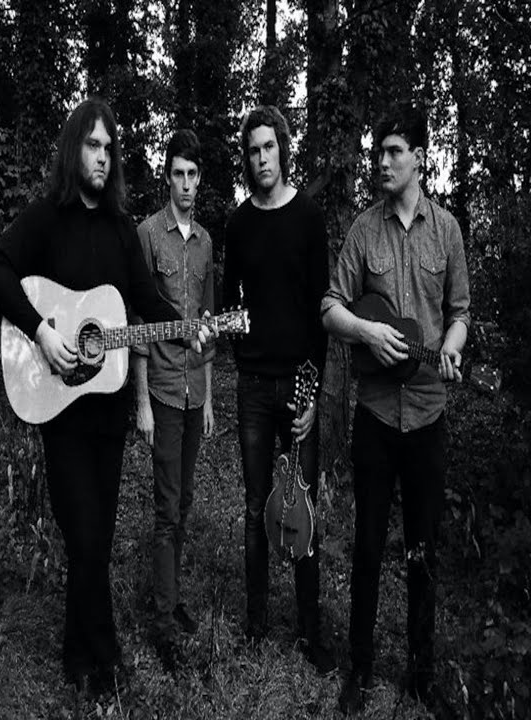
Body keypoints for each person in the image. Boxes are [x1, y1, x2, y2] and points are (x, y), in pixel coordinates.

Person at [0, 98, 212, 697]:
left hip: (107, 410)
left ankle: (77, 655)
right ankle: (102, 656)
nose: (103, 157)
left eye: (110, 148)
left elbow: (146, 299)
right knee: (83, 535)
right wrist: (41, 330)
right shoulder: (46, 219)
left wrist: (186, 326)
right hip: (60, 410)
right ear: (73, 150)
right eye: (93, 145)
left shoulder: (119, 229)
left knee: (97, 540)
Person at [321, 103, 470, 718]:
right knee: (368, 545)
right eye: (378, 152)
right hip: (377, 417)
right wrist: (366, 331)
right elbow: (330, 307)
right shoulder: (363, 231)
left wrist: (453, 349)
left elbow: (459, 313)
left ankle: (420, 673)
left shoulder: (448, 231)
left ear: (420, 159)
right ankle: (359, 669)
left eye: (393, 152)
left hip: (429, 415)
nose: (382, 162)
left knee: (422, 549)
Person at [221, 105, 335, 674]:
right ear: (246, 159)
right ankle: (256, 623)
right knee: (254, 504)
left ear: (282, 150)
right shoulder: (238, 224)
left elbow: (322, 314)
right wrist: (229, 332)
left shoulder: (309, 218)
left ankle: (310, 632)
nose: (261, 158)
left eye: (269, 147)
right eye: (253, 150)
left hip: (299, 383)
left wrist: (312, 395)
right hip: (252, 387)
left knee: (301, 504)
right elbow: (228, 304)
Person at [129, 129, 215, 673]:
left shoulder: (206, 243)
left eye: (192, 175)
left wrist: (208, 398)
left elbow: (208, 324)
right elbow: (139, 322)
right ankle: (161, 623)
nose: (185, 184)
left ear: (200, 179)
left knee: (183, 503)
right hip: (160, 389)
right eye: (178, 174)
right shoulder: (147, 235)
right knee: (166, 509)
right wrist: (140, 399)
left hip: (193, 391)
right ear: (168, 178)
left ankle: (172, 596)